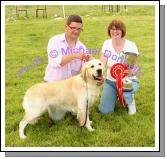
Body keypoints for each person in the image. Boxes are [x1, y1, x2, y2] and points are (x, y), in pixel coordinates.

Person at [99, 19, 139, 115]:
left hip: (127, 82)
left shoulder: (131, 45)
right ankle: (116, 94)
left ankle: (130, 101)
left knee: (127, 88)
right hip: (110, 81)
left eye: (118, 29)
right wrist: (99, 75)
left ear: (122, 31)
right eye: (112, 29)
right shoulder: (106, 44)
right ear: (109, 31)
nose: (115, 31)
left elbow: (135, 66)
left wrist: (132, 72)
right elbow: (102, 63)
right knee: (104, 111)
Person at [44, 14, 90, 82]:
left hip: (72, 86)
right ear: (66, 27)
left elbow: (86, 69)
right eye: (73, 28)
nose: (76, 31)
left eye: (79, 29)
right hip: (53, 85)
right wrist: (74, 55)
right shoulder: (54, 41)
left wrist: (89, 60)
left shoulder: (82, 47)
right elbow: (54, 62)